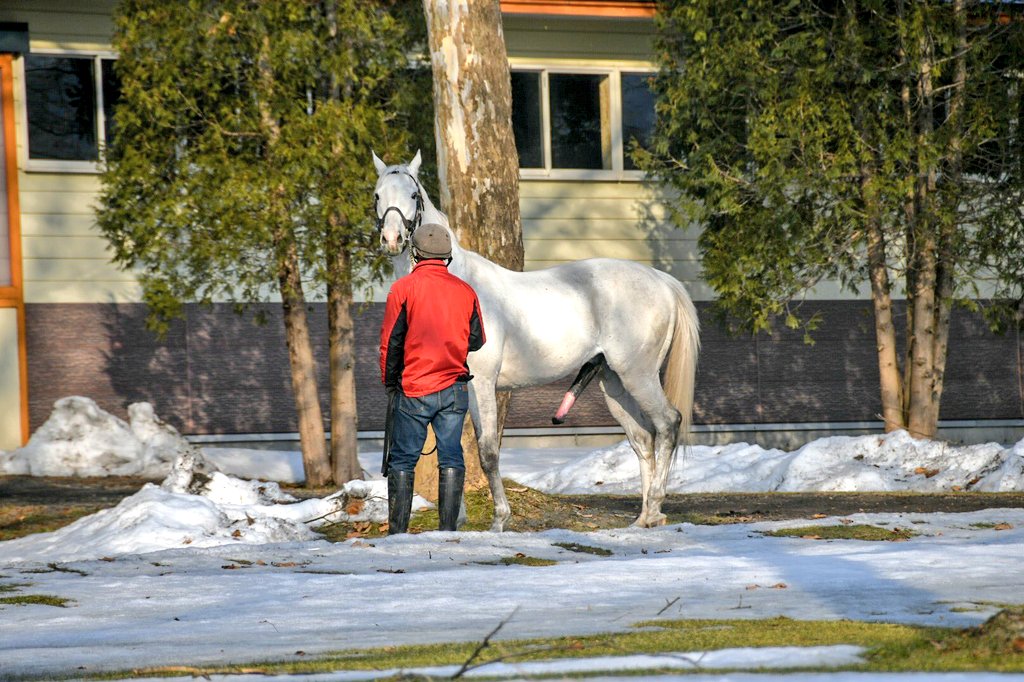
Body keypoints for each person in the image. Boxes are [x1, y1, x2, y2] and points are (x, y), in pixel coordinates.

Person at [379, 223, 485, 534]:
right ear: (447, 256)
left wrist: (389, 381)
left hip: (414, 388)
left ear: (415, 254)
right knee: (451, 456)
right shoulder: (465, 291)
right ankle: (448, 531)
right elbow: (476, 339)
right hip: (455, 388)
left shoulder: (403, 289)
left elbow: (391, 342)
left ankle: (398, 534)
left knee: (402, 460)